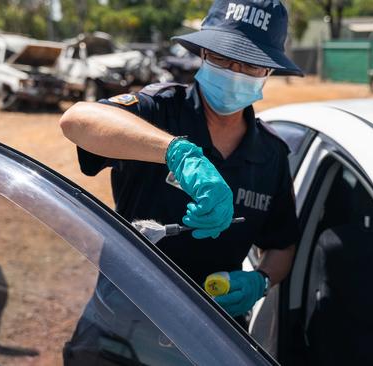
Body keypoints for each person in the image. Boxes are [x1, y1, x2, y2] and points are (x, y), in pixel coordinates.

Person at [60, 1, 302, 360]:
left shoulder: (271, 155)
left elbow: (282, 246)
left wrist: (260, 281)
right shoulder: (158, 110)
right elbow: (76, 120)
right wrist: (176, 152)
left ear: (268, 69)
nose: (234, 72)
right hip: (118, 334)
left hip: (212, 337)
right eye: (222, 57)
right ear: (203, 53)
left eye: (249, 63)